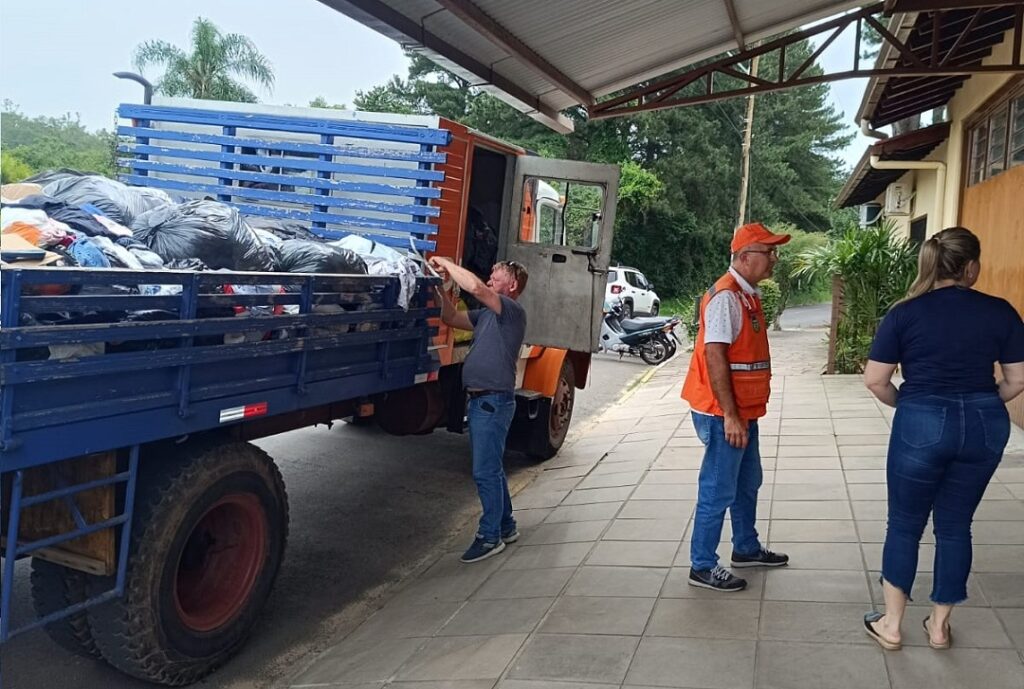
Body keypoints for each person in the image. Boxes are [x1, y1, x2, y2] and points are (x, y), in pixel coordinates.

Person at [861, 226, 1024, 650]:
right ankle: (938, 626)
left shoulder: (905, 313)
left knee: (904, 524)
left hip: (922, 419)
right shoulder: (1000, 311)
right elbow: (1018, 379)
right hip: (985, 425)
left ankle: (892, 626)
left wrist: (910, 404)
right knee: (955, 527)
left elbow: (876, 380)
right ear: (971, 267)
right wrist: (987, 401)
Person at [681, 222, 792, 592]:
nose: (774, 259)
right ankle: (702, 565)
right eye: (769, 252)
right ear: (745, 258)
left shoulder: (748, 294)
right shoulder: (727, 297)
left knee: (748, 482)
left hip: (743, 410)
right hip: (722, 413)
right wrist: (730, 415)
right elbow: (715, 356)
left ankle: (745, 547)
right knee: (718, 487)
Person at [429, 256, 529, 563]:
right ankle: (506, 526)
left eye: (495, 278)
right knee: (493, 468)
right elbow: (451, 318)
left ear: (511, 286)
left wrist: (448, 262)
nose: (488, 282)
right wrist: (437, 284)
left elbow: (473, 285)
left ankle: (489, 537)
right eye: (489, 276)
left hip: (492, 401)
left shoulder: (510, 310)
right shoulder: (487, 315)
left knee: (484, 471)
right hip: (484, 401)